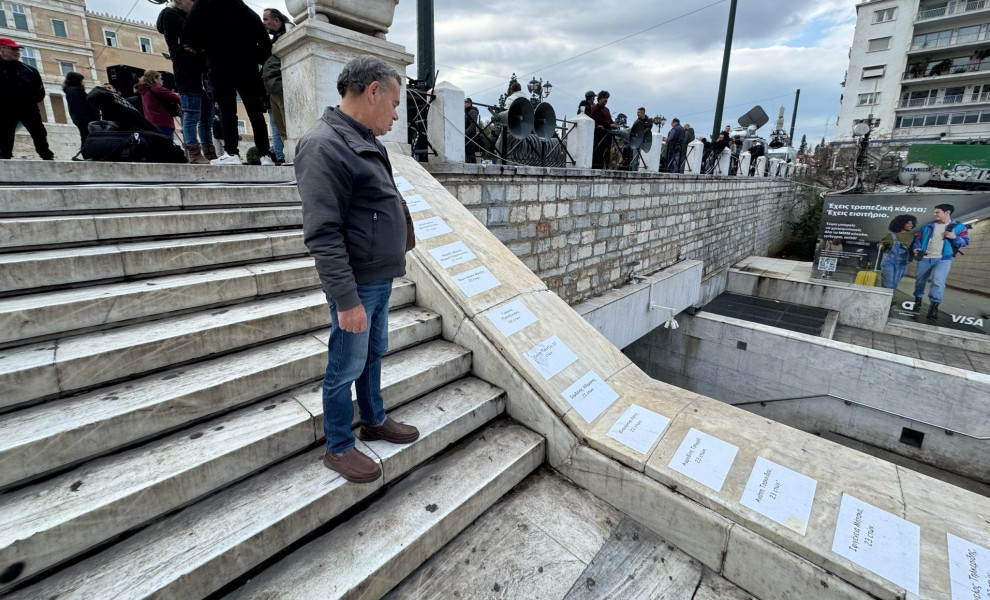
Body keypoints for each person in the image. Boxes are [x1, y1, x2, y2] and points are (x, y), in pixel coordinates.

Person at [295, 55, 419, 483]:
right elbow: (323, 232)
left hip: (378, 276)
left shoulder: (361, 137)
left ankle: (373, 419)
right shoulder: (324, 144)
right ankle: (339, 445)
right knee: (345, 365)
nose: (396, 112)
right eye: (395, 101)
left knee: (372, 355)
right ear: (373, 91)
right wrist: (346, 300)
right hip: (357, 284)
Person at [184, 0, 274, 165]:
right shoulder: (248, 13)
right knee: (255, 113)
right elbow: (266, 45)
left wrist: (204, 48)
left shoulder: (203, 6)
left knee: (227, 112)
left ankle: (232, 153)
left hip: (220, 66)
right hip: (247, 68)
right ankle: (265, 155)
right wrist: (252, 57)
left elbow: (190, 36)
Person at [158, 0, 214, 163]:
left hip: (202, 74)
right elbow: (192, 36)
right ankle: (194, 153)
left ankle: (209, 151)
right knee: (192, 114)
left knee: (206, 119)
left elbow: (203, 40)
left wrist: (200, 47)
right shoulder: (170, 15)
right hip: (188, 74)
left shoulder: (191, 17)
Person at [911, 203, 970, 319]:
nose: (934, 214)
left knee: (938, 282)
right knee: (919, 281)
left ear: (947, 213)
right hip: (925, 257)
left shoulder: (959, 227)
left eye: (937, 212)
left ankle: (934, 306)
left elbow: (965, 242)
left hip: (943, 259)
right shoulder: (927, 226)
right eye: (935, 212)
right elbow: (918, 239)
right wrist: (916, 248)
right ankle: (918, 300)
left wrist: (955, 237)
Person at [0, 37, 54, 160]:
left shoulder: (30, 70)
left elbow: (40, 90)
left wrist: (29, 101)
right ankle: (4, 155)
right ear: (2, 49)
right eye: (13, 49)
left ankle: (46, 154)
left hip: (28, 107)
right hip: (5, 108)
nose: (17, 52)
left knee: (39, 132)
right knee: (5, 132)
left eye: (18, 49)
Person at [263, 7, 293, 164]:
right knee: (280, 128)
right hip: (272, 90)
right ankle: (288, 156)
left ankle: (294, 156)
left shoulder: (289, 33)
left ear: (277, 20)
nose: (264, 23)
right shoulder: (273, 40)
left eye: (266, 19)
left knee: (289, 127)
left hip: (281, 86)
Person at [138, 70, 181, 139]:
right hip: (163, 123)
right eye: (160, 78)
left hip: (150, 123)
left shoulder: (145, 90)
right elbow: (177, 98)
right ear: (154, 79)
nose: (162, 80)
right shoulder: (157, 89)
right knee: (167, 147)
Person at [62, 72, 100, 149]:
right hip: (84, 119)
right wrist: (86, 118)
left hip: (82, 118)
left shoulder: (74, 91)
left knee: (85, 136)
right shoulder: (74, 91)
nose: (83, 82)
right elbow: (78, 106)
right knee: (86, 136)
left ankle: (86, 153)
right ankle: (86, 153)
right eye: (81, 80)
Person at [589, 90, 617, 169]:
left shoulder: (607, 110)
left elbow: (609, 119)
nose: (606, 100)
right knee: (598, 154)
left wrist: (613, 124)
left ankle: (606, 167)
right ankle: (597, 168)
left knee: (607, 154)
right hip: (599, 136)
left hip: (607, 136)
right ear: (600, 98)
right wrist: (610, 125)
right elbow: (598, 120)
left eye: (607, 98)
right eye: (604, 98)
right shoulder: (595, 108)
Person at [464, 97, 480, 163]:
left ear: (470, 103)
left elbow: (472, 126)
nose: (463, 104)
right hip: (467, 136)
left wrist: (464, 133)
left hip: (470, 136)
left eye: (465, 102)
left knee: (470, 154)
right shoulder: (467, 112)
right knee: (467, 154)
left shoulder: (472, 111)